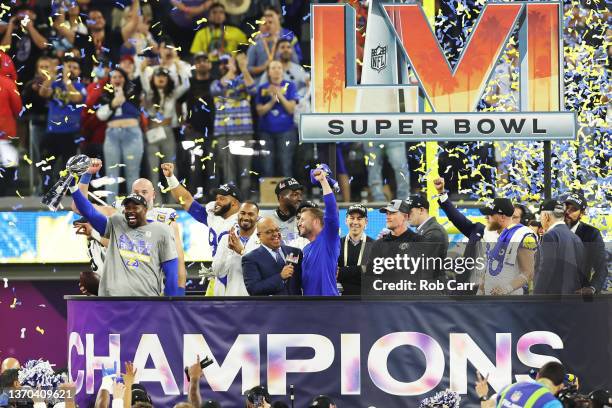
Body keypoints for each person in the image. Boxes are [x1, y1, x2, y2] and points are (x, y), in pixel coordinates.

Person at [71, 158, 187, 290]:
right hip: (120, 290)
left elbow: (178, 264)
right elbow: (80, 208)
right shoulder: (119, 214)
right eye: (136, 193)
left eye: (144, 192)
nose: (141, 197)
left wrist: (178, 295)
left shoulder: (165, 221)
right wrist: (86, 175)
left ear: (154, 194)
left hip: (151, 292)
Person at [433, 177, 536, 295]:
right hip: (469, 292)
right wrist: (441, 193)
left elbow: (528, 272)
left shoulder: (521, 236)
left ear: (502, 217)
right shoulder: (481, 231)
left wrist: (506, 289)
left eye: (490, 214)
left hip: (506, 299)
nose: (487, 218)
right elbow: (455, 217)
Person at [162, 162, 240, 258]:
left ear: (234, 203)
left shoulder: (245, 223)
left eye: (222, 199)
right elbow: (185, 200)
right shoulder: (213, 217)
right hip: (220, 271)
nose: (217, 202)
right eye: (217, 198)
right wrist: (170, 177)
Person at [210, 52, 256, 198]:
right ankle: (231, 200)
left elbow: (253, 90)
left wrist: (244, 69)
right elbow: (216, 90)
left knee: (245, 169)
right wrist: (231, 70)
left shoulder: (244, 79)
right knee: (228, 170)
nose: (230, 64)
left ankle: (246, 200)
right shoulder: (216, 82)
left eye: (231, 62)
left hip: (244, 130)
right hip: (224, 132)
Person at [96, 67, 144, 201]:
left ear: (125, 78)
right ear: (110, 80)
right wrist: (112, 104)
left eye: (120, 77)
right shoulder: (105, 96)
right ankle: (111, 210)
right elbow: (100, 116)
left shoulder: (134, 92)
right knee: (111, 175)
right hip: (112, 135)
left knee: (133, 174)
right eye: (114, 77)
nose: (117, 79)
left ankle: (136, 206)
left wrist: (121, 94)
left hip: (132, 134)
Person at [141, 66, 190, 196]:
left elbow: (186, 84)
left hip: (167, 132)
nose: (161, 78)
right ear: (153, 79)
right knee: (153, 169)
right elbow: (143, 79)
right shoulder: (149, 94)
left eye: (164, 76)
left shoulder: (172, 94)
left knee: (171, 167)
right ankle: (154, 201)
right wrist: (142, 68)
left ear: (168, 79)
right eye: (158, 76)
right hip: (152, 132)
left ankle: (174, 199)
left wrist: (178, 64)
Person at [365, 199, 425, 293]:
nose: (388, 217)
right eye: (387, 213)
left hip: (411, 302)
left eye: (392, 213)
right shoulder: (378, 244)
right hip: (386, 302)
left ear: (405, 217)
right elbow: (370, 276)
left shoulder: (419, 241)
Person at [297, 167, 340, 296]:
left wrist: (323, 181)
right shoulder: (305, 250)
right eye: (299, 220)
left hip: (329, 307)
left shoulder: (328, 239)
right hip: (309, 310)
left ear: (316, 221)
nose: (299, 223)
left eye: (303, 220)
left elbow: (332, 210)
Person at [256, 60, 299, 178]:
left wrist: (278, 95)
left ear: (282, 71)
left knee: (286, 164)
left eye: (279, 68)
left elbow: (291, 109)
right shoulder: (262, 88)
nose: (277, 70)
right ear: (268, 72)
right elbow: (260, 111)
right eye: (273, 68)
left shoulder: (290, 86)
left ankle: (289, 194)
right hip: (266, 131)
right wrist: (272, 101)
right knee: (267, 166)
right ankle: (267, 195)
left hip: (286, 130)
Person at [534, 199, 585, 294]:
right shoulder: (575, 237)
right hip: (570, 299)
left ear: (546, 216)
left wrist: (537, 296)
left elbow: (545, 270)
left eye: (540, 216)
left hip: (551, 300)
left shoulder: (550, 236)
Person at [242, 217, 302, 296]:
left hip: (297, 306)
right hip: (271, 307)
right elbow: (254, 289)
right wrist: (280, 277)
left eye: (277, 230)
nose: (275, 234)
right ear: (259, 236)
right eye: (269, 232)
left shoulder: (295, 252)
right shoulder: (250, 259)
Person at [211, 201, 260, 296]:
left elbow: (264, 270)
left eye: (250, 214)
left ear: (257, 217)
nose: (246, 217)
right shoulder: (226, 239)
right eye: (242, 213)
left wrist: (242, 251)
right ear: (237, 215)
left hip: (256, 301)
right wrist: (229, 251)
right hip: (233, 299)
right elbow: (218, 272)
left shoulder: (263, 239)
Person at [183, 51, 215, 193]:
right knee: (194, 165)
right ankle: (192, 196)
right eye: (198, 60)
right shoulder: (189, 84)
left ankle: (213, 196)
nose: (202, 63)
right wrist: (183, 122)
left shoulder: (215, 83)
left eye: (205, 60)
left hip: (214, 131)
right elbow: (178, 101)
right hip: (194, 130)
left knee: (212, 166)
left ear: (210, 64)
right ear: (194, 65)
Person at [563, 192, 608, 294]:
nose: (567, 212)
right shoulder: (552, 231)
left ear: (582, 213)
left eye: (573, 209)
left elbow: (601, 267)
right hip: (552, 295)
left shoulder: (591, 234)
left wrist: (592, 288)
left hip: (578, 294)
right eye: (566, 207)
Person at [477, 362, 566, 408]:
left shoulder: (509, 388)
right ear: (560, 386)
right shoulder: (551, 403)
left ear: (537, 376)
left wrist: (483, 395)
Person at [247, 6, 302, 78]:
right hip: (260, 81)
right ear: (260, 27)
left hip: (285, 78)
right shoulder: (256, 42)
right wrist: (263, 67)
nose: (268, 24)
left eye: (270, 20)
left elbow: (296, 62)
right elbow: (248, 68)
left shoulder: (287, 39)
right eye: (264, 23)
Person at [406, 194, 449, 280]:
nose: (406, 216)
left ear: (421, 210)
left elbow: (416, 262)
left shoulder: (434, 232)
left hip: (433, 288)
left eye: (409, 212)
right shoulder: (425, 230)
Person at [337, 204, 373, 295]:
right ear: (346, 220)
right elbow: (333, 274)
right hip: (341, 300)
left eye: (359, 219)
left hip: (365, 299)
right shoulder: (337, 244)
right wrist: (361, 269)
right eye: (352, 218)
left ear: (366, 222)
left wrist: (343, 272)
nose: (355, 222)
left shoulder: (373, 245)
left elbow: (371, 276)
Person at [263, 177, 304, 244]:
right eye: (295, 194)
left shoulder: (303, 220)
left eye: (300, 195)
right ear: (281, 197)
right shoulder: (266, 220)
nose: (300, 199)